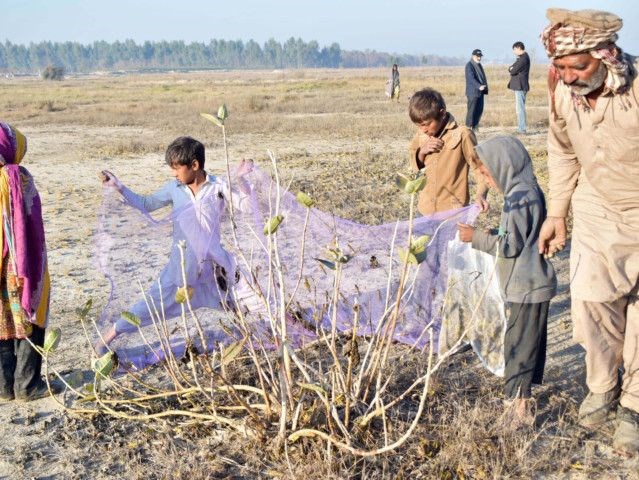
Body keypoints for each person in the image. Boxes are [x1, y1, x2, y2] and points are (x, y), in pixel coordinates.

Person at [538, 8, 639, 455]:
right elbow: (562, 150)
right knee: (589, 301)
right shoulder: (561, 91)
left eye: (577, 66)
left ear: (604, 54)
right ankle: (603, 384)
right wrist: (557, 213)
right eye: (560, 67)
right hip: (596, 207)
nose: (568, 75)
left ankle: (634, 406)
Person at [96, 136, 259, 353]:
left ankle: (269, 330)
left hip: (215, 265)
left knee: (246, 295)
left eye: (176, 168)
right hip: (181, 266)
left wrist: (241, 180)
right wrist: (119, 187)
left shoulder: (218, 187)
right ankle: (106, 339)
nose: (174, 174)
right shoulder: (174, 188)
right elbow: (146, 204)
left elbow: (247, 206)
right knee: (152, 303)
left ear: (194, 165)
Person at [458, 135, 557, 427]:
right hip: (530, 284)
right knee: (524, 344)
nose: (487, 181)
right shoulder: (526, 190)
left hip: (527, 286)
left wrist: (476, 238)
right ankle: (520, 402)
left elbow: (510, 246)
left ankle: (519, 411)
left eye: (487, 174)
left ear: (505, 167)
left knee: (519, 348)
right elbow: (519, 237)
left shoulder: (518, 197)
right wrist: (495, 233)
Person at [0, 123, 59, 402]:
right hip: (19, 263)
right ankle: (27, 386)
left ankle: (4, 387)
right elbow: (29, 224)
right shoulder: (18, 177)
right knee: (30, 313)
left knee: (3, 321)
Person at [408, 87, 489, 215]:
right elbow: (414, 169)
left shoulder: (463, 134)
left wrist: (481, 195)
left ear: (442, 113)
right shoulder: (421, 135)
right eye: (419, 125)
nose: (423, 129)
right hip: (425, 210)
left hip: (453, 213)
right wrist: (422, 152)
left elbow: (481, 169)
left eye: (427, 124)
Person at [508, 41, 531, 134]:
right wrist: (511, 68)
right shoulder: (522, 58)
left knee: (520, 109)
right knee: (519, 108)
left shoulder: (523, 59)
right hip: (520, 86)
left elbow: (513, 70)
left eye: (514, 49)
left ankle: (522, 130)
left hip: (520, 86)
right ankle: (521, 128)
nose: (514, 52)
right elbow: (511, 68)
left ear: (518, 48)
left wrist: (512, 69)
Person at [465, 49, 489, 131]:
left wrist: (484, 87)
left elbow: (482, 77)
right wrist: (479, 86)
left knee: (479, 110)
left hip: (480, 92)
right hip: (473, 92)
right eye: (477, 56)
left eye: (480, 56)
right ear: (473, 56)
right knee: (471, 111)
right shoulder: (469, 65)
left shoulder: (479, 65)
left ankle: (475, 127)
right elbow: (471, 78)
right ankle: (468, 128)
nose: (479, 58)